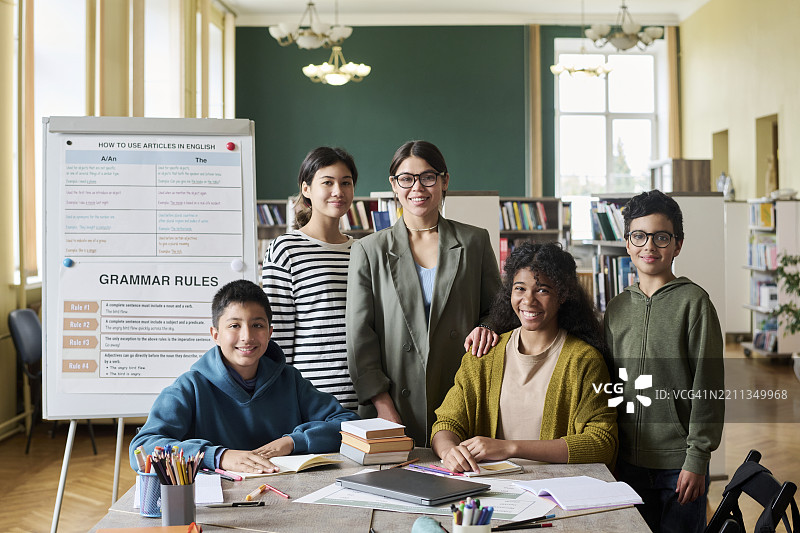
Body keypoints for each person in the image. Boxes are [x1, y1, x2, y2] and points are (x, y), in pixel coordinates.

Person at [346, 140, 502, 446]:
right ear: (394, 184)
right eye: (406, 178)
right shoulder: (369, 249)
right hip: (392, 402)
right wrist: (383, 405)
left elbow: (497, 310)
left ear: (444, 181)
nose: (417, 188)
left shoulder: (474, 241)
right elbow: (359, 335)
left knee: (459, 484)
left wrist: (487, 327)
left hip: (459, 393)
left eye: (428, 177)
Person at [129, 279, 358, 473]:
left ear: (270, 332)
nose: (247, 336)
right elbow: (142, 448)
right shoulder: (190, 387)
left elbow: (350, 425)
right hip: (218, 503)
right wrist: (218, 456)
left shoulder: (290, 380)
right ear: (215, 335)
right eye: (234, 325)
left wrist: (293, 441)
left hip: (287, 491)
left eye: (257, 325)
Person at [431, 242, 618, 472]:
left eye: (542, 290)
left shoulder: (584, 361)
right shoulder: (484, 355)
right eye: (520, 288)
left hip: (555, 490)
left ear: (562, 295)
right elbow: (447, 422)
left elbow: (602, 443)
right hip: (492, 488)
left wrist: (509, 448)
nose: (528, 300)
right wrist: (449, 450)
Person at [604, 190, 724, 533]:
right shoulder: (616, 308)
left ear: (677, 244)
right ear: (627, 243)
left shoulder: (695, 304)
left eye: (661, 237)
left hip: (679, 465)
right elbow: (611, 382)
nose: (649, 246)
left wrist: (698, 458)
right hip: (627, 463)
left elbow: (708, 387)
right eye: (639, 236)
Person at [262, 147, 359, 409]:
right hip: (310, 399)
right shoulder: (286, 249)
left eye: (346, 183)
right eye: (327, 182)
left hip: (365, 398)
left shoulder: (363, 250)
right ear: (306, 189)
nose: (338, 191)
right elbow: (278, 333)